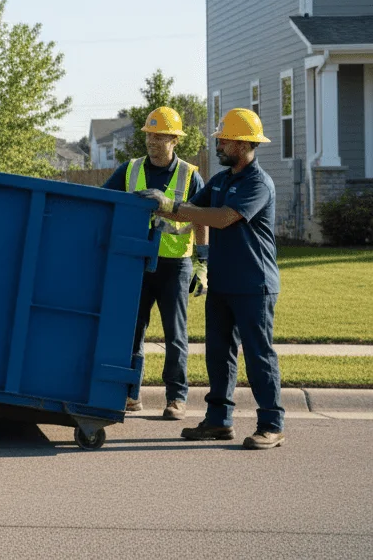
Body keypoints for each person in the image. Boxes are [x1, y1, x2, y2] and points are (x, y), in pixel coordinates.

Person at [136, 108, 284, 450]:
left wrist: (171, 206)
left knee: (259, 356)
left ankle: (272, 424)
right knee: (219, 355)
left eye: (225, 140)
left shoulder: (257, 183)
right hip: (222, 283)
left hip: (254, 285)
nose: (219, 144)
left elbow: (221, 218)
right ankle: (218, 421)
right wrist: (157, 207)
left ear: (244, 144)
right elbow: (188, 209)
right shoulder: (221, 180)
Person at [102, 106, 206, 420]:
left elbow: (202, 219)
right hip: (136, 261)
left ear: (174, 139)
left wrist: (203, 263)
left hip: (175, 264)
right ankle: (131, 394)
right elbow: (105, 202)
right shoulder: (129, 169)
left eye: (159, 136)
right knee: (132, 329)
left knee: (175, 334)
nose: (152, 141)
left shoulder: (190, 174)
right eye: (149, 135)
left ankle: (177, 399)